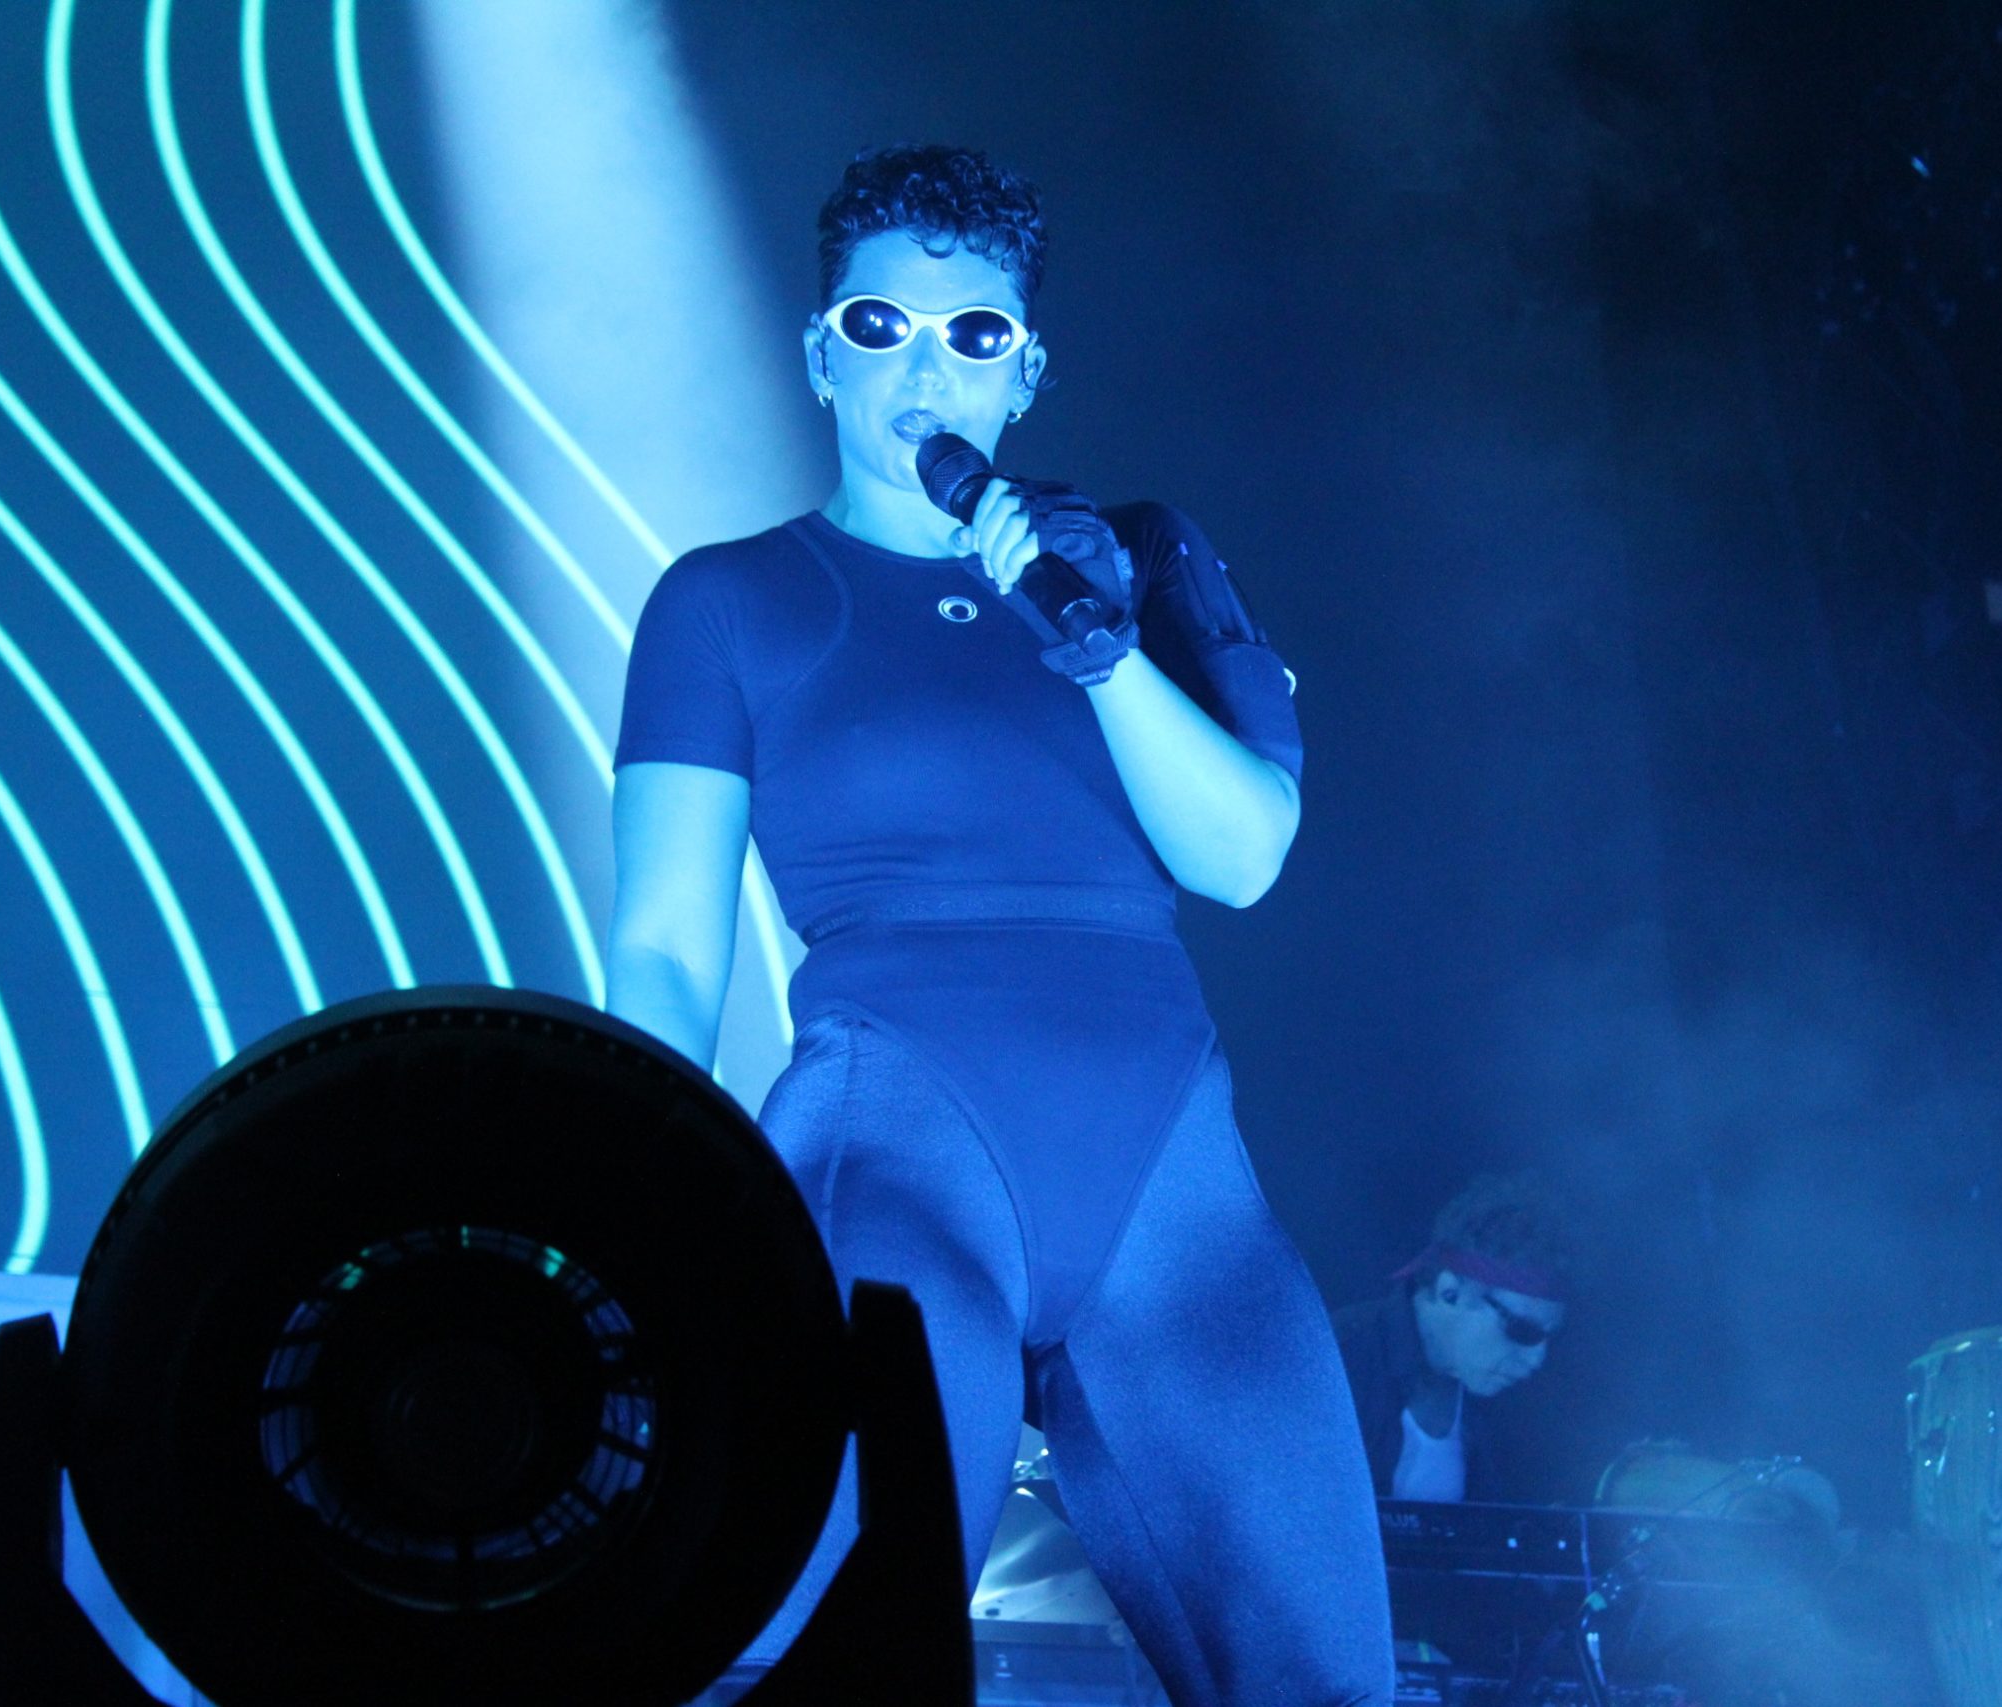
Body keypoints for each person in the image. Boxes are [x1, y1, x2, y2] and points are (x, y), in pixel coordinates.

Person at [607, 144, 1393, 1707]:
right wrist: (643, 1206)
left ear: (1026, 370)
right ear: (820, 351)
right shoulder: (732, 598)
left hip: (1173, 1183)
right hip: (898, 1148)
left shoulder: (1139, 561)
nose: (926, 372)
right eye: (881, 326)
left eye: (972, 334)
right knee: (850, 1654)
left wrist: (1098, 646)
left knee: (1324, 1676)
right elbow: (668, 948)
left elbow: (1244, 855)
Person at [1333, 1173, 1573, 1504]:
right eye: (1522, 1331)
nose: (1536, 1358)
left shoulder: (1499, 1400)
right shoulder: (1336, 1363)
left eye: (1548, 1337)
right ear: (1450, 1291)